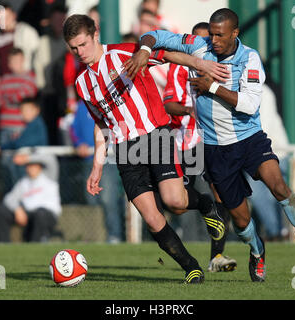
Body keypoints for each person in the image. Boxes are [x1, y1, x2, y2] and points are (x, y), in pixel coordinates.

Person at [126, 7, 295, 282]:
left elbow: (249, 104)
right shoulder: (199, 46)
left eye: (219, 35)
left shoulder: (249, 59)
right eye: (211, 34)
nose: (213, 40)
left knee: (279, 187)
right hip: (217, 149)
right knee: (241, 220)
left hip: (250, 140)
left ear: (235, 33)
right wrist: (145, 51)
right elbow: (154, 35)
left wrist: (212, 86)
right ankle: (257, 250)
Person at [63, 14, 229, 283]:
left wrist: (200, 63)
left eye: (83, 44)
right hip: (125, 150)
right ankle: (191, 267)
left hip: (155, 135)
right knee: (152, 218)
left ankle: (207, 206)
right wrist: (96, 165)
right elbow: (101, 124)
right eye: (74, 48)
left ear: (95, 35)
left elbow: (166, 55)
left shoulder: (123, 53)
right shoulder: (82, 83)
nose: (80, 52)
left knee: (174, 201)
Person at [163, 21, 236, 272]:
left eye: (205, 41)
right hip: (185, 143)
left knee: (222, 194)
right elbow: (168, 104)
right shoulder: (179, 70)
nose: (201, 46)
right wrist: (189, 110)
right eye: (196, 41)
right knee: (179, 204)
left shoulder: (222, 68)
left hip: (213, 140)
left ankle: (217, 257)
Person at [71, 100, 126, 244]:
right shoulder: (82, 107)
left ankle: (115, 235)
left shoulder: (110, 104)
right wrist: (78, 144)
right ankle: (97, 236)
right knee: (92, 199)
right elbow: (73, 129)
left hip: (108, 159)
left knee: (109, 199)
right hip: (88, 160)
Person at [245, 84, 290, 241]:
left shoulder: (264, 92)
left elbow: (263, 126)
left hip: (275, 151)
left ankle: (278, 233)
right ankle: (277, 232)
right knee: (262, 197)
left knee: (271, 197)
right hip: (254, 153)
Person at [0, 157, 62, 242]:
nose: (30, 168)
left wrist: (27, 158)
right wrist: (17, 209)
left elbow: (51, 160)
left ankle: (36, 243)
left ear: (39, 167)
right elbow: (9, 198)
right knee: (2, 212)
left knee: (40, 214)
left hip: (47, 215)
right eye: (28, 166)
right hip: (29, 215)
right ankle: (3, 244)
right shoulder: (24, 182)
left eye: (33, 165)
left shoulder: (49, 176)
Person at [33, 3, 69, 145]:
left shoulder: (69, 42)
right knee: (51, 131)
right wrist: (43, 88)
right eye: (56, 20)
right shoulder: (42, 42)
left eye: (62, 20)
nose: (59, 23)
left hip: (68, 93)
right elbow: (38, 67)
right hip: (49, 93)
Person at [0, 5, 40, 82]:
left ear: (14, 15)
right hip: (4, 82)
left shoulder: (26, 31)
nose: (4, 21)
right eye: (0, 18)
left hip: (24, 80)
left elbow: (37, 56)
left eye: (6, 17)